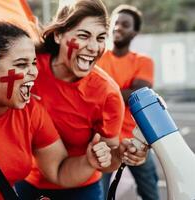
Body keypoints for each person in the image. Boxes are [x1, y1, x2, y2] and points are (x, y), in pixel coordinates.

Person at [15, 0, 148, 199]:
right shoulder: (29, 68)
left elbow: (108, 158)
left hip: (82, 189)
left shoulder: (107, 93)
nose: (94, 47)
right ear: (59, 35)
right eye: (84, 35)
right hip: (26, 183)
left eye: (101, 37)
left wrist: (119, 155)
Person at [0, 21, 115, 200]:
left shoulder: (31, 111)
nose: (33, 72)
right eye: (21, 64)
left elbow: (58, 170)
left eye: (33, 63)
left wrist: (89, 162)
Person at [97, 4, 160, 200]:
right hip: (104, 139)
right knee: (99, 195)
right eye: (115, 23)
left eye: (125, 24)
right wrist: (123, 90)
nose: (118, 27)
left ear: (134, 32)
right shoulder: (98, 57)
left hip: (136, 140)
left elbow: (138, 96)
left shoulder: (143, 61)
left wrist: (104, 90)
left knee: (150, 194)